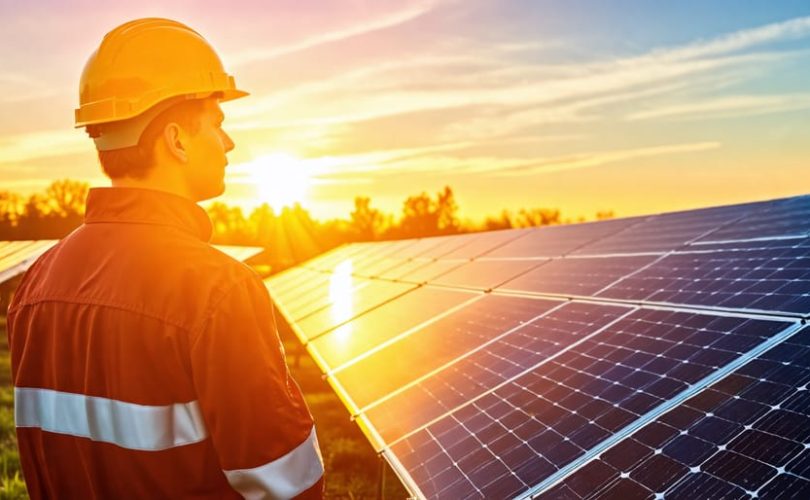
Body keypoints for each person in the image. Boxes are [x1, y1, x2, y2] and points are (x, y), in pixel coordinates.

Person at [6, 18, 324, 499]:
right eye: (217, 123)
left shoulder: (36, 284)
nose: (229, 142)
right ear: (176, 141)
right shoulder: (218, 290)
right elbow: (287, 486)